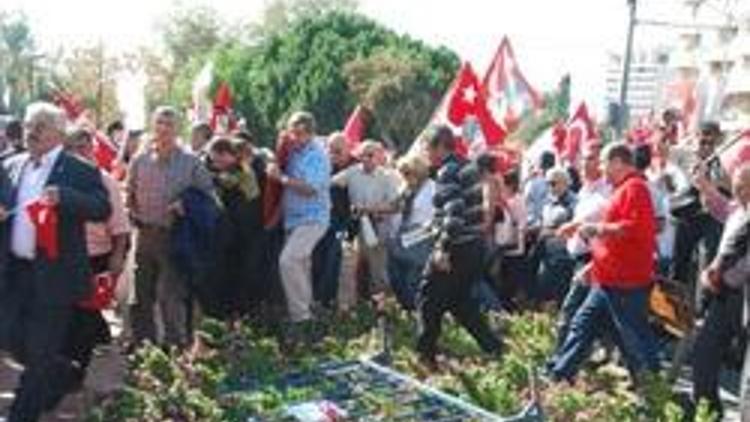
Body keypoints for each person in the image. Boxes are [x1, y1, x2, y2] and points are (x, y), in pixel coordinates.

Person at [0, 102, 111, 422]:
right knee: (8, 335)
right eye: (28, 124)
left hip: (54, 274)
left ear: (59, 135)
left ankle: (22, 413)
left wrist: (66, 197)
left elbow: (101, 208)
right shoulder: (10, 165)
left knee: (40, 350)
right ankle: (62, 371)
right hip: (15, 271)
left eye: (41, 125)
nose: (31, 131)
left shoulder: (78, 169)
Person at [548, 142, 660, 384]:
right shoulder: (624, 189)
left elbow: (634, 228)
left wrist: (596, 228)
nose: (602, 169)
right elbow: (619, 236)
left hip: (626, 283)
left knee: (635, 343)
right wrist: (593, 266)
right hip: (608, 280)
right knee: (581, 326)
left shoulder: (636, 187)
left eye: (604, 163)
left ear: (618, 162)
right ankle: (558, 377)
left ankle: (656, 392)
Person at [127, 106, 215, 348]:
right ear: (153, 126)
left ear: (178, 129)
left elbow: (209, 197)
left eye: (169, 124)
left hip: (174, 237)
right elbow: (129, 192)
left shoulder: (191, 163)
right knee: (140, 296)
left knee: (169, 296)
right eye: (159, 123)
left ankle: (175, 348)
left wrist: (185, 204)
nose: (164, 128)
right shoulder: (139, 160)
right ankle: (144, 348)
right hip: (144, 235)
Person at [416, 126, 503, 368]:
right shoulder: (468, 165)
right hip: (474, 247)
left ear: (438, 147)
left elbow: (455, 214)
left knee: (428, 297)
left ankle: (426, 356)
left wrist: (443, 248)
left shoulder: (447, 171)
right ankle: (494, 347)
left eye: (426, 147)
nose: (425, 154)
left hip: (457, 247)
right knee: (461, 304)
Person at [62, 127, 131, 387]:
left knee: (85, 317)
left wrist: (116, 259)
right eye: (74, 148)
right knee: (67, 316)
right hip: (63, 259)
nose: (81, 152)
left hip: (95, 259)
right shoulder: (58, 181)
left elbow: (120, 228)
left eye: (85, 147)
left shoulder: (104, 181)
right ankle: (68, 365)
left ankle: (77, 371)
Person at [690, 163, 750, 419]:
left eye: (744, 182)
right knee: (703, 354)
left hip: (742, 295)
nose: (737, 187)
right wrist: (703, 183)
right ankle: (710, 413)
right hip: (724, 296)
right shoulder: (737, 211)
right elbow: (719, 205)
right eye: (736, 182)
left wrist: (719, 274)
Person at [266, 111, 331, 344]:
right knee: (300, 266)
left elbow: (311, 188)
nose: (294, 136)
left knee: (289, 260)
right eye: (292, 131)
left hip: (313, 218)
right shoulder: (292, 150)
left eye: (300, 133)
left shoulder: (317, 155)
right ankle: (309, 317)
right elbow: (276, 159)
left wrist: (281, 178)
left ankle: (301, 318)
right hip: (293, 219)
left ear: (311, 133)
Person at [551, 146, 611, 357]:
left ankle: (559, 361)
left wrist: (574, 226)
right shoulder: (585, 190)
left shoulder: (607, 190)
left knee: (572, 310)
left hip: (594, 258)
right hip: (577, 256)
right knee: (589, 314)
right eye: (583, 159)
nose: (585, 164)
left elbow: (601, 219)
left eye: (591, 159)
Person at [332, 140, 400, 308]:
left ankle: (381, 312)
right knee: (347, 267)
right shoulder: (352, 172)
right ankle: (346, 310)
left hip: (378, 226)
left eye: (370, 155)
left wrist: (369, 209)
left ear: (378, 157)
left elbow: (395, 206)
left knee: (378, 272)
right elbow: (328, 183)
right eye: (362, 155)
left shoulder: (388, 177)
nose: (366, 159)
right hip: (355, 226)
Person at [206, 137, 262, 319]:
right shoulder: (227, 171)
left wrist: (212, 177)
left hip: (245, 235)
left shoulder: (243, 171)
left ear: (227, 155)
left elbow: (233, 184)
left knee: (243, 282)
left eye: (217, 159)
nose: (215, 163)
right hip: (230, 236)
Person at [669, 121, 727, 287]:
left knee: (711, 259)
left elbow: (727, 186)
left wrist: (711, 183)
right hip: (687, 215)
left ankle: (704, 305)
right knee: (679, 263)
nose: (706, 146)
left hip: (713, 216)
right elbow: (664, 151)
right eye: (703, 141)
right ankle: (675, 304)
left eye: (711, 142)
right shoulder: (685, 155)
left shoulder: (723, 159)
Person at [388, 154, 436, 310]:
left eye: (407, 173)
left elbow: (435, 216)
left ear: (418, 171)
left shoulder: (432, 188)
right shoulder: (405, 188)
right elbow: (394, 207)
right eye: (402, 173)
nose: (404, 176)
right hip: (404, 235)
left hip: (422, 234)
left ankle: (416, 311)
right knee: (395, 275)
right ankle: (408, 310)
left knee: (412, 278)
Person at [535, 167, 577, 302]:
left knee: (561, 297)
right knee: (545, 293)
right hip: (548, 256)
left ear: (564, 182)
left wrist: (550, 232)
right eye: (547, 183)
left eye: (553, 183)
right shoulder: (549, 201)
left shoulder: (574, 203)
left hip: (565, 258)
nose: (549, 187)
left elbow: (574, 229)